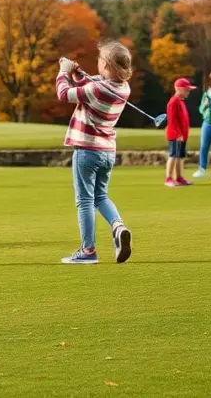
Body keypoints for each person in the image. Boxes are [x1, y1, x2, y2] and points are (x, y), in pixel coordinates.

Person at [56, 41, 134, 265]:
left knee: (84, 201)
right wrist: (78, 74)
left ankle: (88, 251)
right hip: (107, 152)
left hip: (87, 150)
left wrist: (63, 72)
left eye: (101, 60)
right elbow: (93, 84)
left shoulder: (97, 89)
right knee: (101, 197)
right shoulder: (123, 88)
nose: (97, 62)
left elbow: (64, 94)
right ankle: (118, 226)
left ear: (107, 65)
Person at [165, 78, 196, 187]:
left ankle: (179, 177)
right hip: (175, 135)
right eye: (186, 90)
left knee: (180, 156)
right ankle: (168, 178)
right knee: (173, 155)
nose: (188, 92)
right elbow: (172, 120)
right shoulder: (173, 102)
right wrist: (177, 134)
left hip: (182, 135)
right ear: (179, 89)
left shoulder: (180, 102)